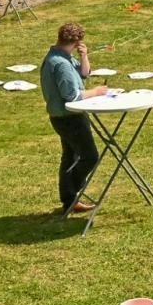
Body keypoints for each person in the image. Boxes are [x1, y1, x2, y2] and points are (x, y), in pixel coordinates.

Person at [40, 23, 108, 214]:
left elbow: (84, 73)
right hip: (69, 118)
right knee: (90, 157)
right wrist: (96, 92)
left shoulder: (63, 57)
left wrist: (84, 56)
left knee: (70, 157)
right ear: (76, 41)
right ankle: (72, 190)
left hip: (64, 117)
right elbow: (72, 96)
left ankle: (69, 201)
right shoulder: (60, 64)